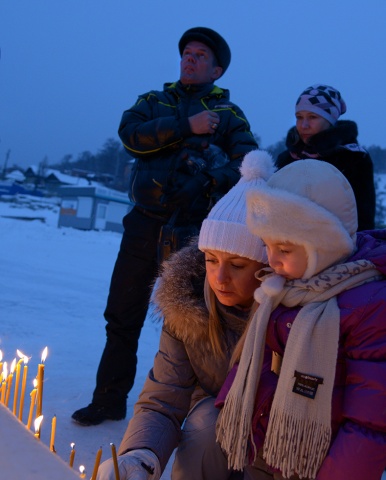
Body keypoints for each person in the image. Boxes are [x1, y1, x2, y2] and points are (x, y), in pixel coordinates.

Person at [72, 26, 258, 426]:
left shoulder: (228, 115)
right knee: (121, 313)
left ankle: (191, 408)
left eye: (201, 55)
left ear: (218, 70)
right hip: (143, 223)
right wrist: (186, 125)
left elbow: (247, 165)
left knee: (190, 319)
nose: (190, 59)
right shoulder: (154, 101)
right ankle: (108, 399)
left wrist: (208, 181)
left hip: (193, 231)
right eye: (187, 53)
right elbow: (129, 136)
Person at [95, 150, 273, 480]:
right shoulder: (188, 305)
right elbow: (163, 398)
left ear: (266, 267)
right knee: (206, 422)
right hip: (213, 426)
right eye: (211, 260)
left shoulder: (290, 318)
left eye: (236, 265)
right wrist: (140, 456)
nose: (219, 278)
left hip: (275, 431)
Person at [216, 157, 386, 479]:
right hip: (267, 447)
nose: (272, 260)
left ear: (324, 246)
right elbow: (256, 361)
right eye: (266, 245)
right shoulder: (280, 291)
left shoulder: (369, 306)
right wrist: (231, 408)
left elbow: (370, 421)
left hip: (319, 461)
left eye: (285, 248)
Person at [275, 84, 376, 231]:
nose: (304, 125)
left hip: (340, 247)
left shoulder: (353, 158)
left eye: (313, 117)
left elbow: (363, 219)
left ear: (330, 120)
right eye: (299, 117)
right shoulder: (287, 159)